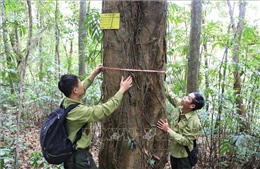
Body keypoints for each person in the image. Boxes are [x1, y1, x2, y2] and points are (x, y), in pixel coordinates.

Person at [58, 64, 132, 169]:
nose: (81, 85)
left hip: (74, 155)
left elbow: (83, 85)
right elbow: (104, 110)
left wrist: (95, 73)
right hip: (78, 158)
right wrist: (121, 90)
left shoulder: (64, 101)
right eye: (79, 83)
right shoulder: (78, 111)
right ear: (75, 90)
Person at [157, 86, 204, 169]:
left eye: (188, 98)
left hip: (183, 157)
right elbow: (171, 96)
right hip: (173, 152)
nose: (185, 97)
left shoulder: (194, 122)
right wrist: (163, 83)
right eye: (187, 95)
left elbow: (186, 141)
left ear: (192, 106)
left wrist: (168, 130)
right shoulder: (181, 105)